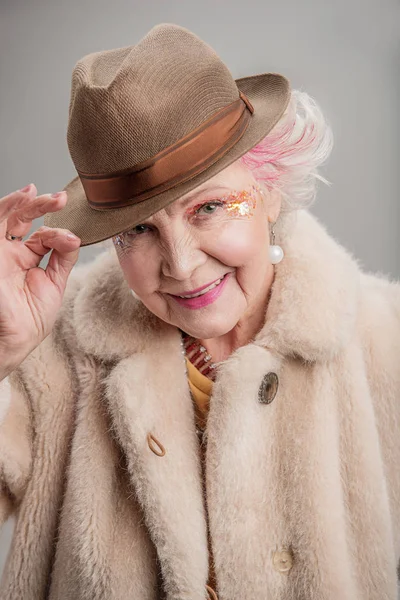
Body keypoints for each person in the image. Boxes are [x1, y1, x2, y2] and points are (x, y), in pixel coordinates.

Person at [0, 22, 399, 600]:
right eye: (138, 228)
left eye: (209, 207)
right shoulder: (49, 355)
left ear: (269, 191)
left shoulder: (383, 342)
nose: (182, 266)